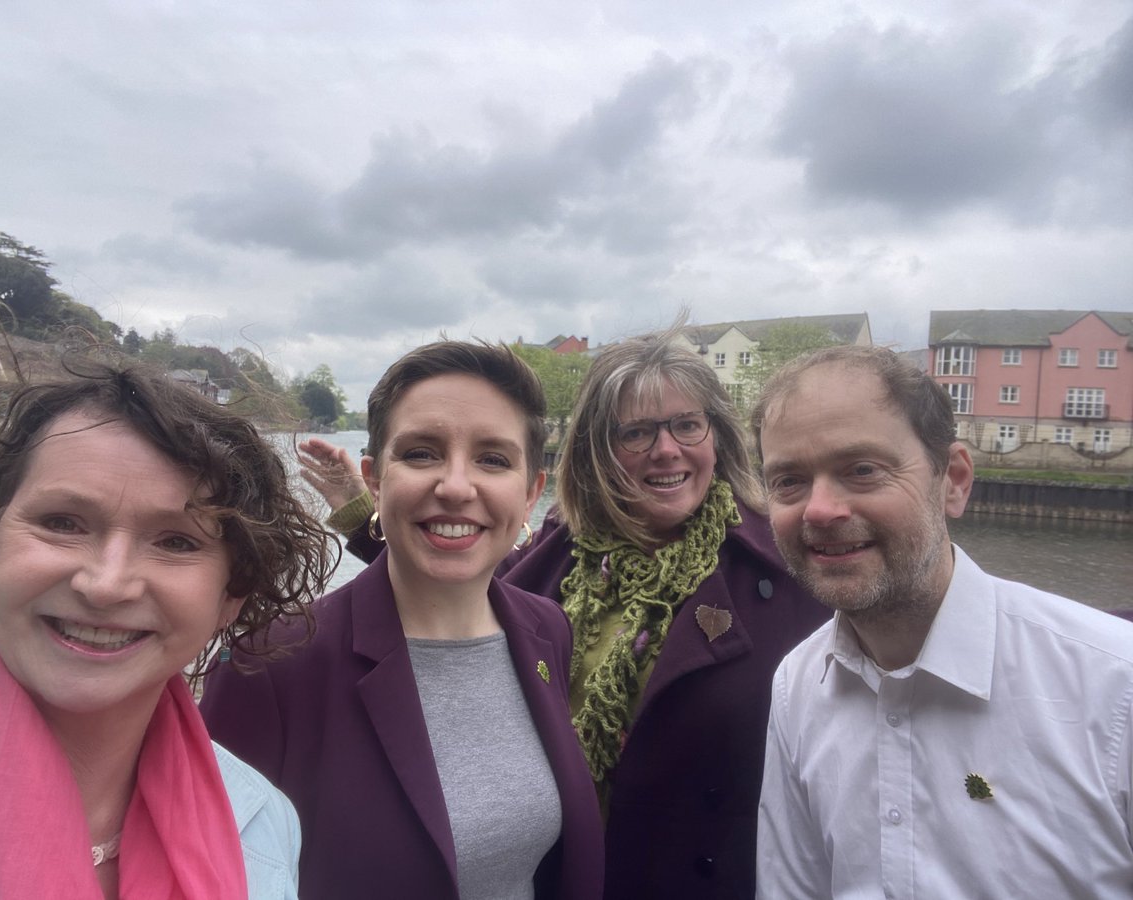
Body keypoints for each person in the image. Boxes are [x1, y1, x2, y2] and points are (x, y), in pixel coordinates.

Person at [305, 326, 830, 899]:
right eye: (636, 432)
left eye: (686, 424)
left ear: (716, 436)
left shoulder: (787, 571)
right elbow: (451, 599)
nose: (667, 449)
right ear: (598, 451)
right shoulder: (552, 557)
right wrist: (368, 512)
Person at [201, 341, 605, 899]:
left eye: (493, 459)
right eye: (421, 453)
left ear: (533, 489)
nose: (457, 486)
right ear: (373, 478)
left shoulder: (547, 630)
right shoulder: (269, 663)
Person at [0, 360, 332, 899]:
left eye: (175, 542)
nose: (106, 585)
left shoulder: (265, 824)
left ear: (232, 593)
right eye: (62, 523)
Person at [751, 344, 1133, 898]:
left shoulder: (1114, 684)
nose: (819, 509)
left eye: (862, 470)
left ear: (953, 480)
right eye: (789, 481)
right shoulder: (797, 683)